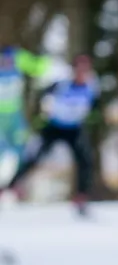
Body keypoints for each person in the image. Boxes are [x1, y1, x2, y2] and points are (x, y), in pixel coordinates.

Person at [5, 54, 99, 214]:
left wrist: (89, 115)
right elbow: (44, 97)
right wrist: (43, 114)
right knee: (34, 157)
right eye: (79, 68)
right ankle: (10, 187)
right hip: (54, 126)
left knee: (85, 159)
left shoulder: (92, 84)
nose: (82, 72)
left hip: (74, 128)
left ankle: (81, 196)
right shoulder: (62, 83)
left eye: (85, 69)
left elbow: (94, 104)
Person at [0, 46, 49, 179]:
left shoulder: (16, 56)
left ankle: (15, 183)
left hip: (15, 114)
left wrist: (45, 57)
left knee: (21, 148)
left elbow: (39, 68)